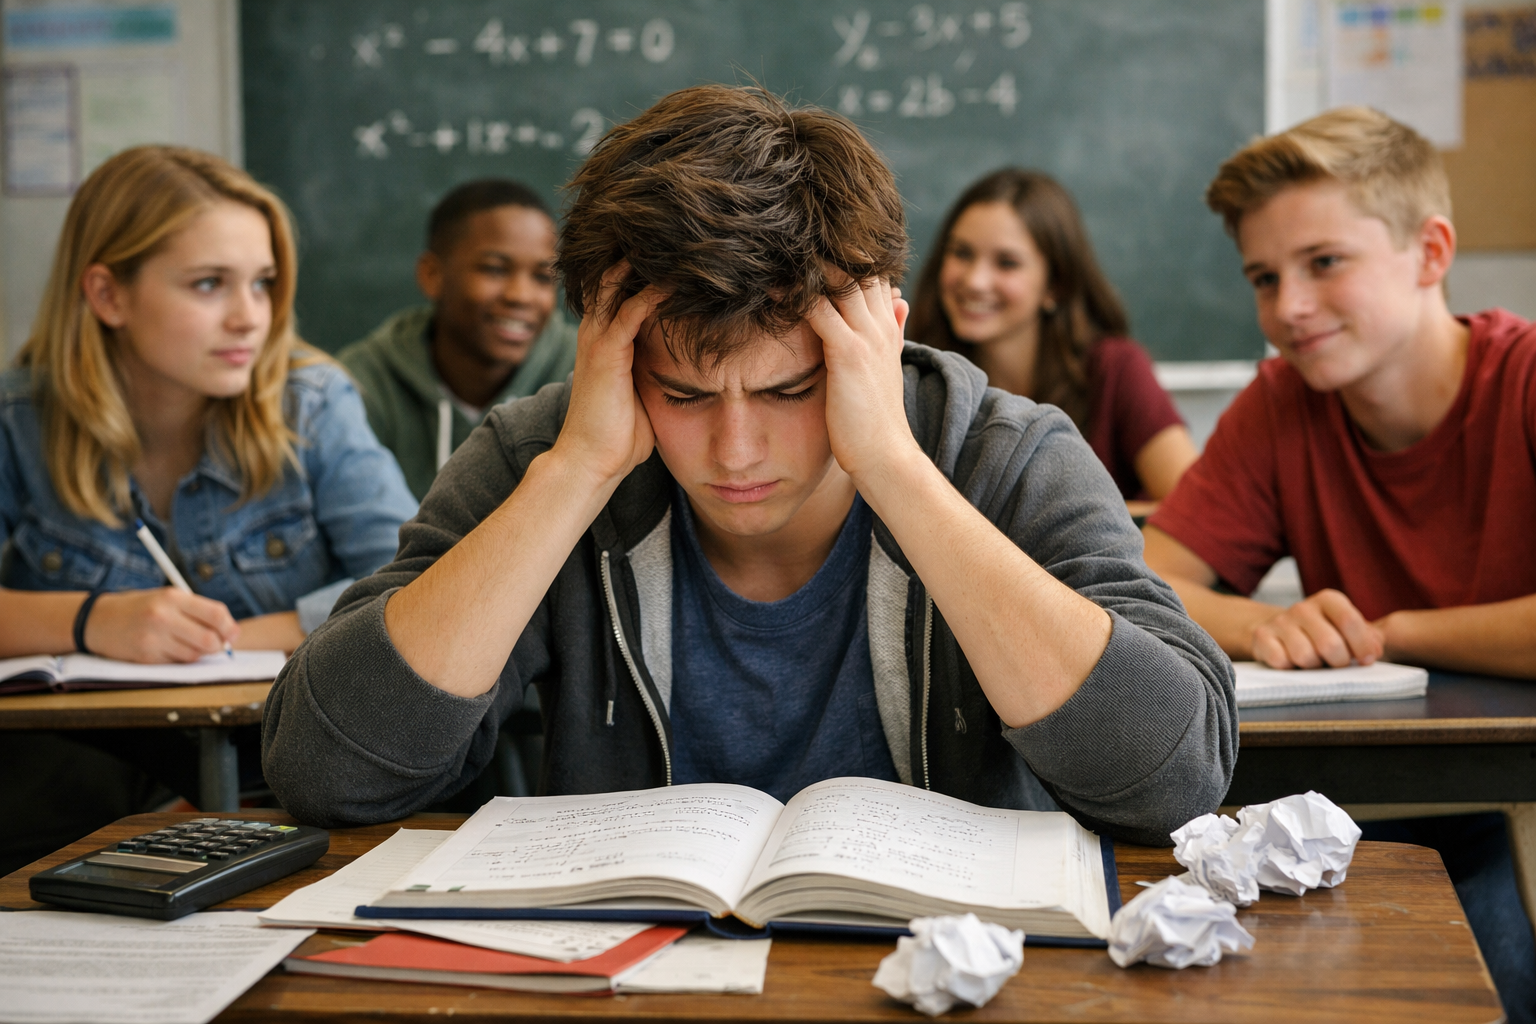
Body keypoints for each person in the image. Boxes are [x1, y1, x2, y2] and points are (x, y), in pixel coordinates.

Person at [263, 86, 1235, 848]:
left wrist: (895, 465)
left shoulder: (1006, 452)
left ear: (878, 340)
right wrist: (574, 476)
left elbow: (1175, 776)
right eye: (683, 394)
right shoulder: (543, 455)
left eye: (788, 391)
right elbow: (323, 767)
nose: (734, 452)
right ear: (611, 352)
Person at [1142, 106, 1535, 1019]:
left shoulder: (1520, 383)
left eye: (1325, 264)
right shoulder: (1282, 405)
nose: (1290, 309)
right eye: (1264, 278)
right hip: (1386, 808)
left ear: (1430, 252)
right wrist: (1269, 625)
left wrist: (1386, 631)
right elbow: (1145, 581)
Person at [0, 145, 416, 867]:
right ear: (108, 295)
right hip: (92, 803)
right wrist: (94, 621)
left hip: (289, 783)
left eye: (261, 283)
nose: (249, 318)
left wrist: (239, 636)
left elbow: (415, 579)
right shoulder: (21, 418)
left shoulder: (311, 402)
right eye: (207, 285)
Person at [908, 169, 1198, 514]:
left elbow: (1195, 512)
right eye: (961, 253)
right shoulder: (918, 376)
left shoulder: (1115, 369)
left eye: (1006, 262)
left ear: (1054, 286)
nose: (975, 281)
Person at [339, 179, 578, 501]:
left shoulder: (585, 377)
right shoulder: (357, 388)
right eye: (495, 269)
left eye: (542, 277)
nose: (521, 296)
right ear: (432, 275)